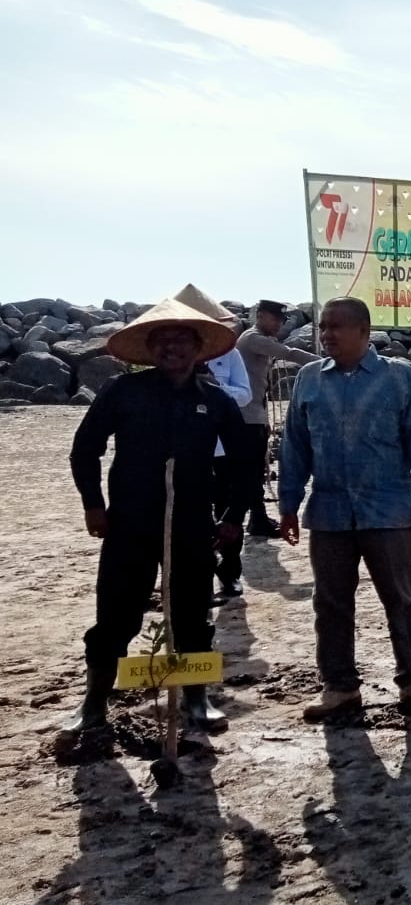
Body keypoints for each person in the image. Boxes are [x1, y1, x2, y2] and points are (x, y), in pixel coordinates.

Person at [66, 299, 253, 734]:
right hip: (128, 523)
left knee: (191, 614)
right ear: (150, 349)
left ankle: (195, 698)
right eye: (162, 341)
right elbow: (85, 447)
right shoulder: (123, 391)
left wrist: (232, 516)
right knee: (116, 614)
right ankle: (94, 702)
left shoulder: (216, 400)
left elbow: (244, 461)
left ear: (197, 347)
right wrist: (93, 504)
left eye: (181, 340)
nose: (172, 348)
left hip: (191, 525)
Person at [279, 297, 411, 722]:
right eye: (322, 327)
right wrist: (288, 503)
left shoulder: (400, 377)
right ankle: (338, 687)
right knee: (331, 603)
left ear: (364, 332)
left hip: (389, 511)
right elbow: (295, 446)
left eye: (336, 327)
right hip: (330, 512)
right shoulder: (308, 380)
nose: (326, 335)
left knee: (401, 599)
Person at [172, 284, 253, 600]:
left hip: (221, 450)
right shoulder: (169, 355)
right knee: (186, 516)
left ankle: (230, 574)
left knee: (229, 514)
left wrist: (215, 389)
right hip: (182, 453)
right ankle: (191, 578)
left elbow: (245, 394)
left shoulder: (230, 355)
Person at [235, 298, 315, 536]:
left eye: (283, 320)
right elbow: (288, 353)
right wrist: (324, 362)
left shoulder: (259, 339)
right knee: (250, 470)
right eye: (276, 318)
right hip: (246, 415)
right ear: (260, 315)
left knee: (257, 467)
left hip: (255, 412)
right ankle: (254, 519)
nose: (280, 324)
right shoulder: (253, 338)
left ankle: (257, 517)